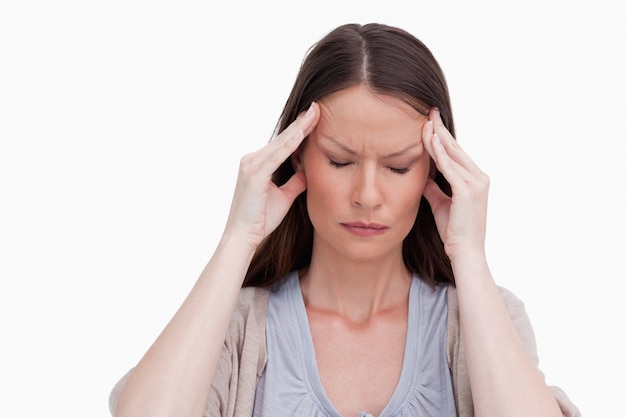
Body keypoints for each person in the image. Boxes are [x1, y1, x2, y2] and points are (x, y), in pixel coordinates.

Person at [109, 23, 580, 417]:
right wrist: (239, 238)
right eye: (339, 161)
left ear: (434, 169)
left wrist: (470, 257)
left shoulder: (480, 318)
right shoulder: (237, 326)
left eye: (398, 167)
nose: (367, 196)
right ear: (298, 159)